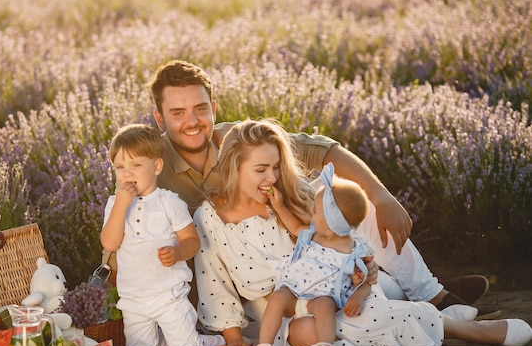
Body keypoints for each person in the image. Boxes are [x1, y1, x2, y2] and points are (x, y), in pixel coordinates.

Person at [146, 59, 498, 320]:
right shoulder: (152, 169)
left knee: (344, 194)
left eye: (200, 109)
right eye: (178, 113)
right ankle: (419, 301)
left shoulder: (239, 140)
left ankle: (433, 295)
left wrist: (380, 195)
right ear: (160, 118)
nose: (192, 121)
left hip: (301, 253)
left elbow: (325, 151)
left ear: (213, 108)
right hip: (247, 283)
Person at [192, 119, 531, 346]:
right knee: (309, 332)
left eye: (277, 167)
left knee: (355, 304)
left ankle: (458, 325)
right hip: (283, 312)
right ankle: (434, 314)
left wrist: (356, 266)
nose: (272, 178)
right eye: (261, 170)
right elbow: (213, 282)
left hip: (347, 290)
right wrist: (233, 337)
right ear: (234, 167)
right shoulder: (210, 217)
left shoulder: (290, 195)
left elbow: (343, 238)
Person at [100, 123, 225, 346]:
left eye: (136, 165)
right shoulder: (114, 205)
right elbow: (110, 243)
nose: (127, 173)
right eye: (120, 167)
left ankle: (212, 341)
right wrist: (120, 205)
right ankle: (172, 345)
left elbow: (192, 241)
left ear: (157, 166)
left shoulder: (169, 202)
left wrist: (177, 253)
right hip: (133, 299)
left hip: (169, 295)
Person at [254, 162, 373, 346]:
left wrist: (357, 296)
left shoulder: (354, 252)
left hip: (322, 296)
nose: (311, 212)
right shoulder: (313, 236)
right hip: (295, 291)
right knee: (277, 297)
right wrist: (279, 206)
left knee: (325, 306)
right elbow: (294, 226)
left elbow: (365, 282)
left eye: (316, 211)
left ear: (331, 222)